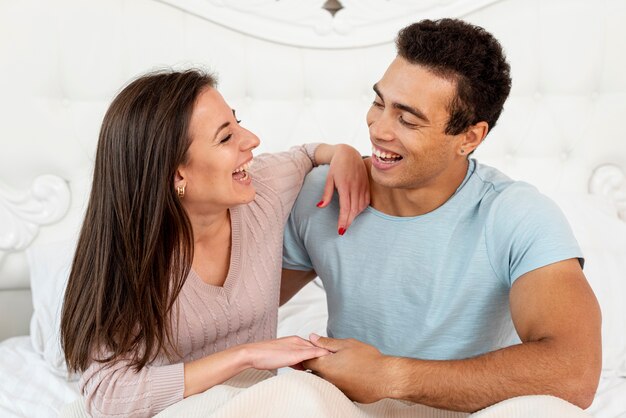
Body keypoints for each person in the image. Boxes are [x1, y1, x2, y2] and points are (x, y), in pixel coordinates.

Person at [281, 18, 602, 413]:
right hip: (344, 407)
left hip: (468, 407)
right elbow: (227, 315)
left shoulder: (515, 214)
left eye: (408, 119)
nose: (378, 130)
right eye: (379, 103)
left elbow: (575, 373)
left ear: (469, 138)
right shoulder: (325, 191)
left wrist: (390, 376)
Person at [60, 68, 369, 417]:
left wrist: (342, 152)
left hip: (264, 403)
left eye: (238, 123)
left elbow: (306, 155)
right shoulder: (130, 260)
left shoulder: (261, 190)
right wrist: (246, 356)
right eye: (226, 138)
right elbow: (110, 396)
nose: (251, 140)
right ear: (178, 174)